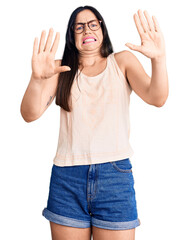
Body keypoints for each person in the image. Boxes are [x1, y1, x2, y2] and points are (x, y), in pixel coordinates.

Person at [20, 5, 168, 240]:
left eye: (92, 24)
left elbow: (157, 97)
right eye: (78, 27)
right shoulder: (60, 70)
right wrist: (37, 79)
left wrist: (159, 59)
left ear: (102, 28)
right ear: (72, 35)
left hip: (115, 177)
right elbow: (29, 114)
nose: (86, 29)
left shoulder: (122, 62)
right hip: (67, 180)